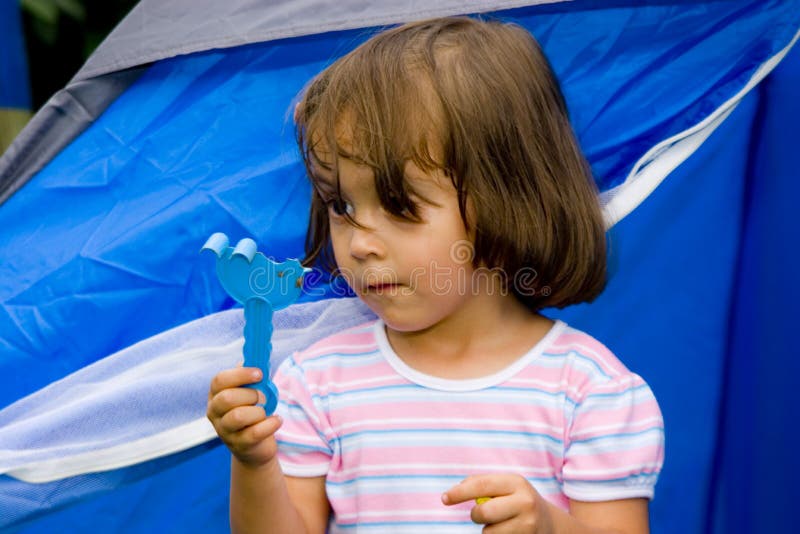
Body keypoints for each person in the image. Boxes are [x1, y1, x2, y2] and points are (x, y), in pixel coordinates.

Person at [207, 16, 664, 533]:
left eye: (400, 206)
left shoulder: (589, 392)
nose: (359, 243)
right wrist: (255, 462)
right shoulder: (314, 384)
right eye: (340, 205)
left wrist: (550, 526)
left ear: (506, 200)